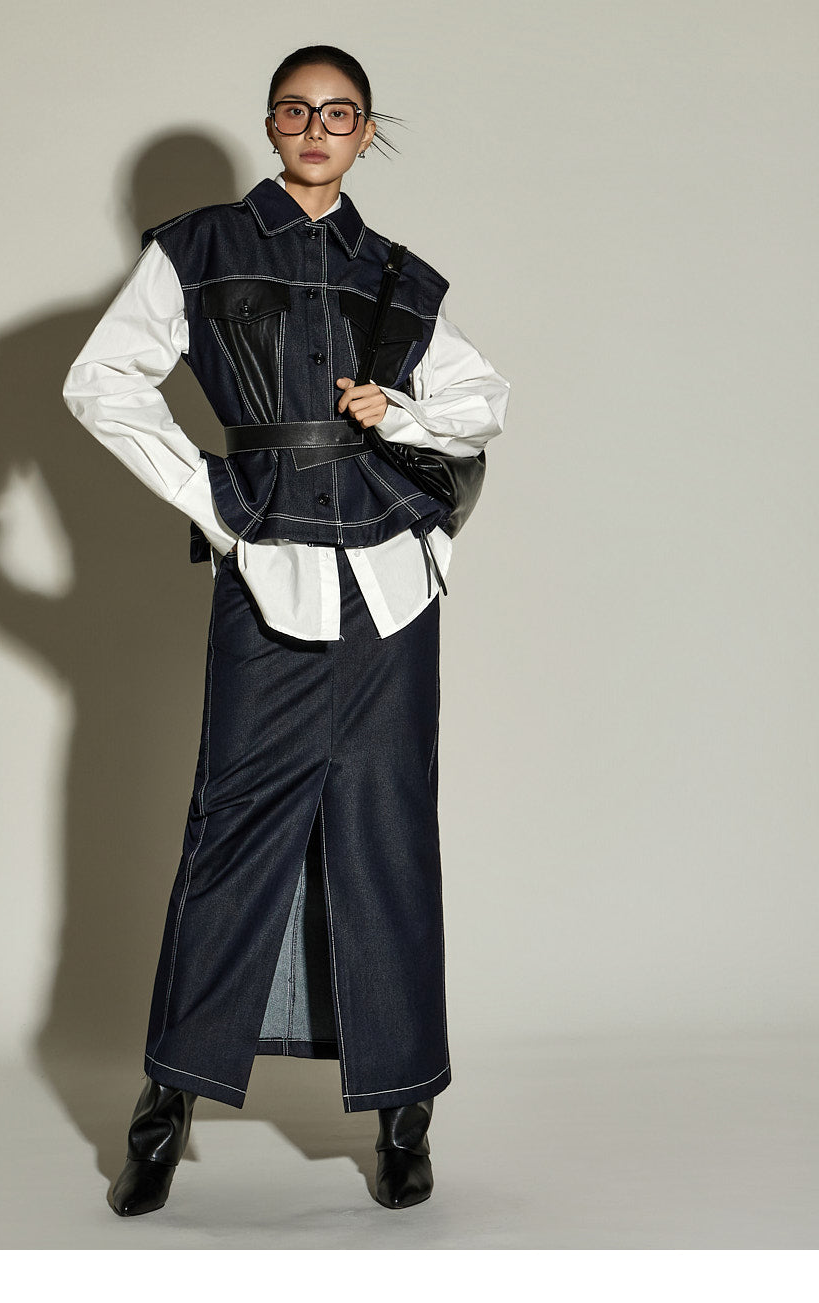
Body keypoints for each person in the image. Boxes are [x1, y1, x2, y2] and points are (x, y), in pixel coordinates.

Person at [62, 44, 511, 1214]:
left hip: (392, 588)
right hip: (269, 572)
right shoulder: (199, 247)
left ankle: (404, 1114)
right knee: (233, 828)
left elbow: (481, 405)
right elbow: (102, 382)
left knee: (389, 830)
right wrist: (209, 494)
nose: (318, 128)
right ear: (270, 124)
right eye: (297, 110)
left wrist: (395, 409)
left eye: (340, 113)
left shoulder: (398, 275)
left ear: (367, 132)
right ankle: (164, 1112)